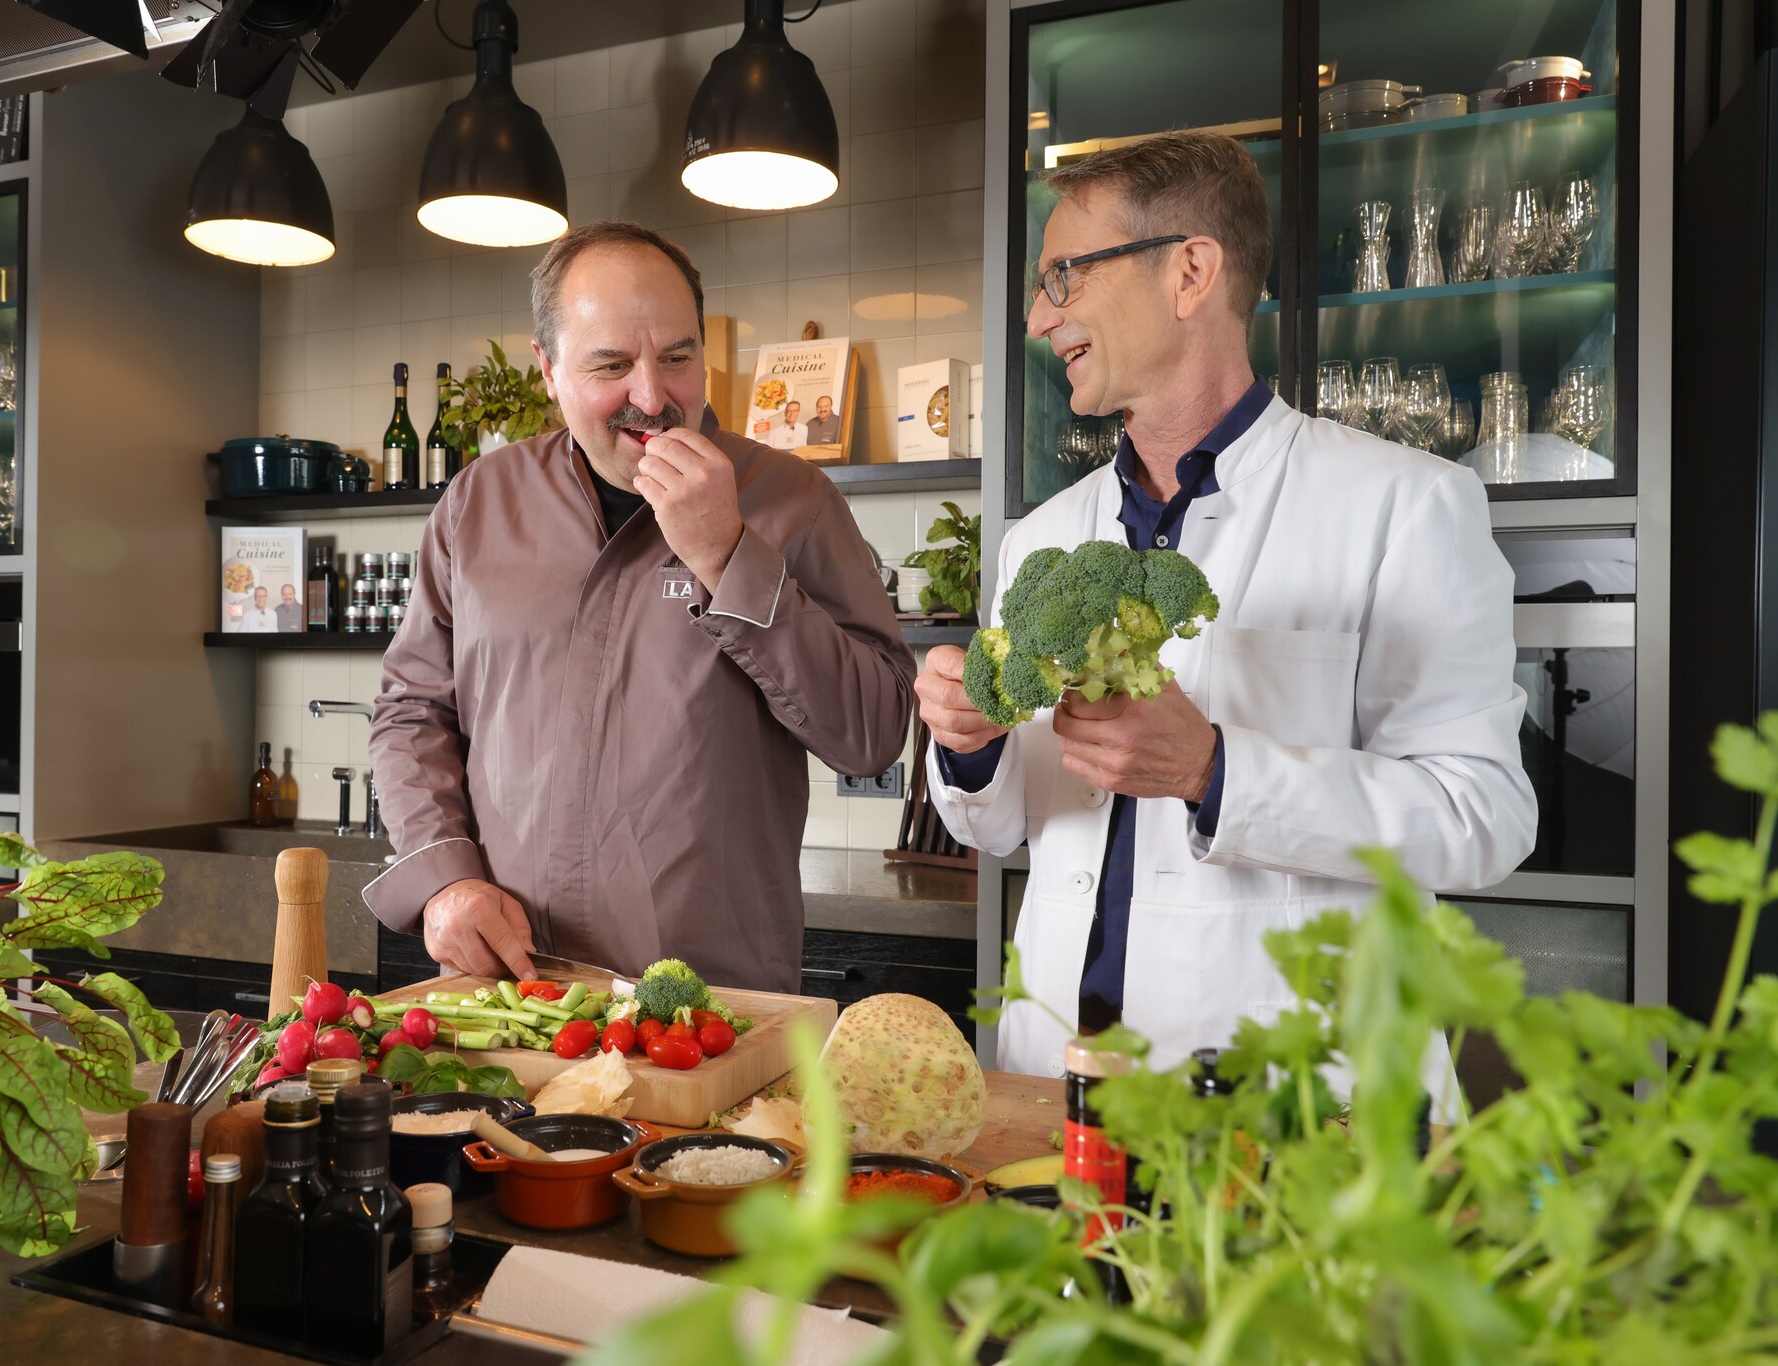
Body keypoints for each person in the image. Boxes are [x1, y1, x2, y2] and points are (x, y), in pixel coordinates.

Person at [917, 132, 1534, 1084]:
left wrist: (1215, 771)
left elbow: (1482, 816)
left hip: (1289, 1092)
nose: (1040, 319)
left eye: (1064, 276)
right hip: (1055, 1078)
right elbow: (998, 829)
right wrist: (971, 745)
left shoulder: (1406, 505)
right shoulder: (1041, 538)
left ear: (1191, 273)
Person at [365, 220, 914, 992]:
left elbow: (874, 734)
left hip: (712, 1007)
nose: (653, 397)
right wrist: (443, 878)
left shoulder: (796, 501)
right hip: (510, 995)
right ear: (548, 370)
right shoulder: (477, 503)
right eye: (612, 365)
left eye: (678, 358)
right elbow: (411, 712)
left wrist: (728, 556)